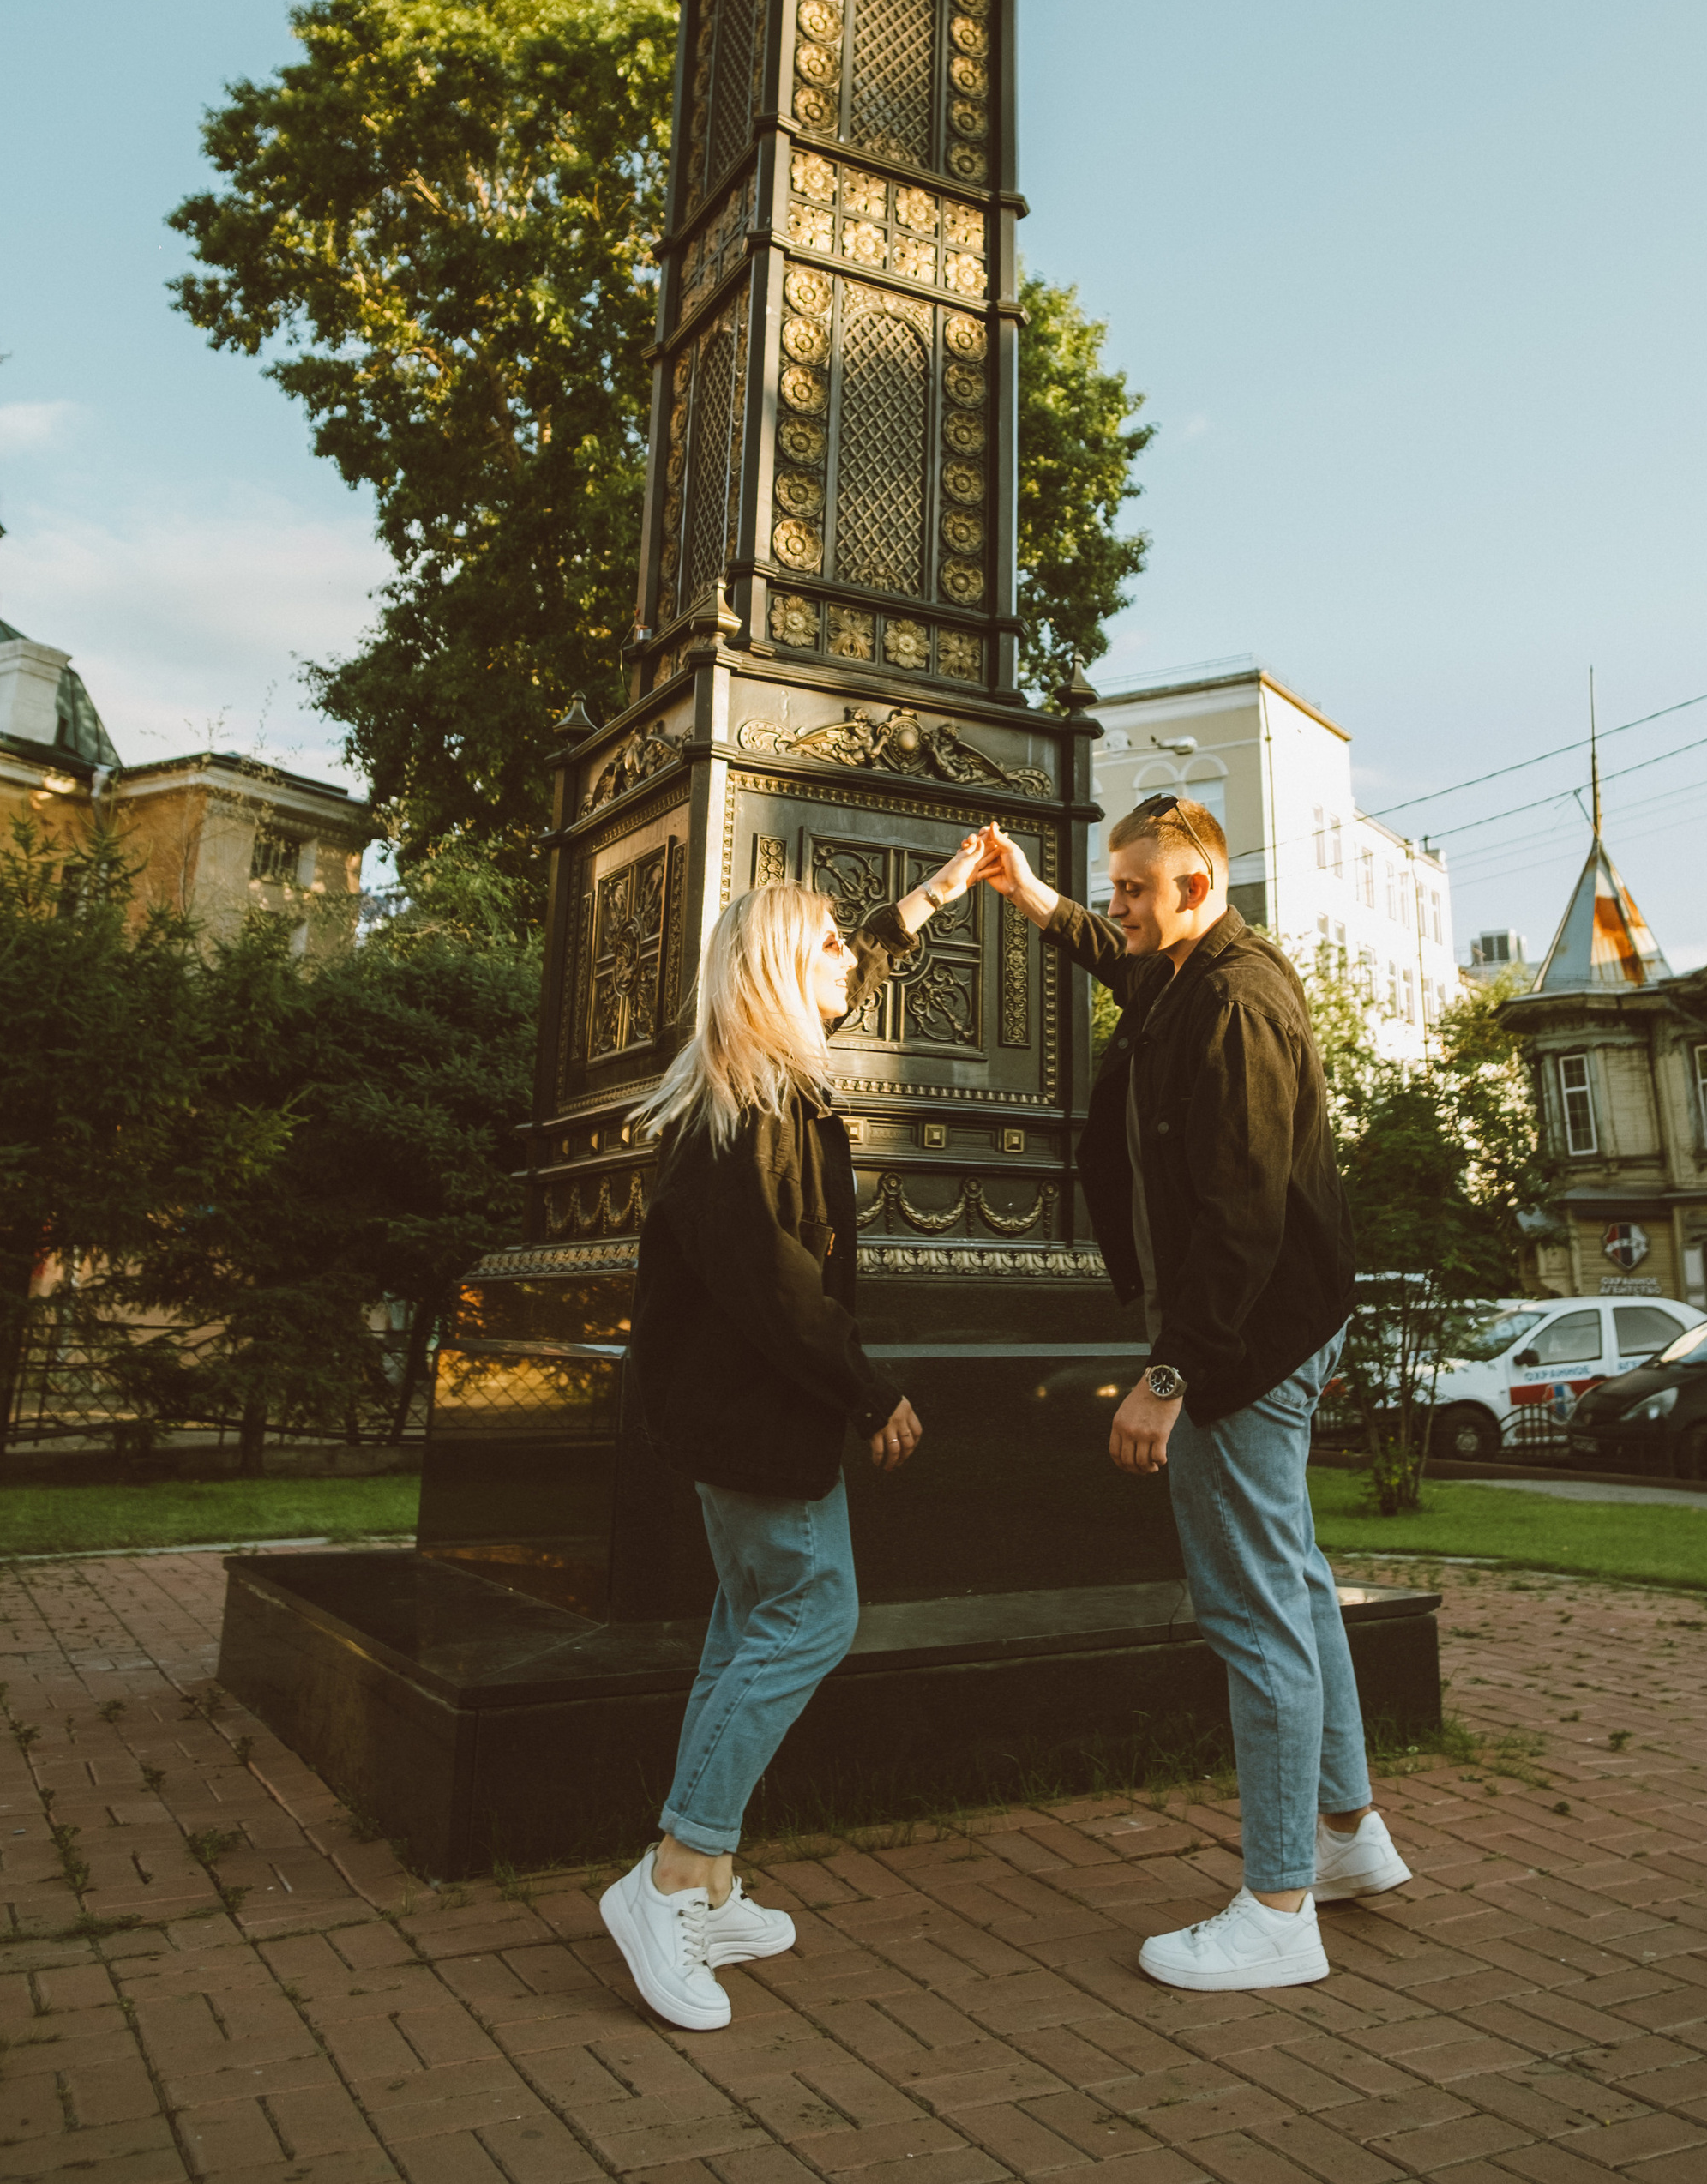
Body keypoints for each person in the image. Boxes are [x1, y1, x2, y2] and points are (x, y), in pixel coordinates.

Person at [971, 799, 1410, 1993]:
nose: (1116, 905)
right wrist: (1034, 900)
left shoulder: (1230, 1005)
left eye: (1133, 888)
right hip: (1265, 1335)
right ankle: (1346, 1837)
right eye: (1110, 887)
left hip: (1242, 1348)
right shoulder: (1193, 964)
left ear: (1198, 885)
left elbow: (1241, 1220)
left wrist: (1168, 1376)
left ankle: (1277, 1909)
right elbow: (1121, 955)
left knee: (1255, 1612)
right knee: (1300, 1583)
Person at [599, 840, 987, 2031]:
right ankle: (670, 1874)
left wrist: (926, 899)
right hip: (760, 1418)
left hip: (732, 1419)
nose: (843, 960)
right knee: (811, 1618)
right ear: (774, 969)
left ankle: (706, 1885)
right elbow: (781, 1294)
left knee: (748, 1629)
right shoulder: (750, 1114)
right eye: (818, 943)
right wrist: (872, 1394)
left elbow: (854, 963)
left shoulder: (749, 1090)